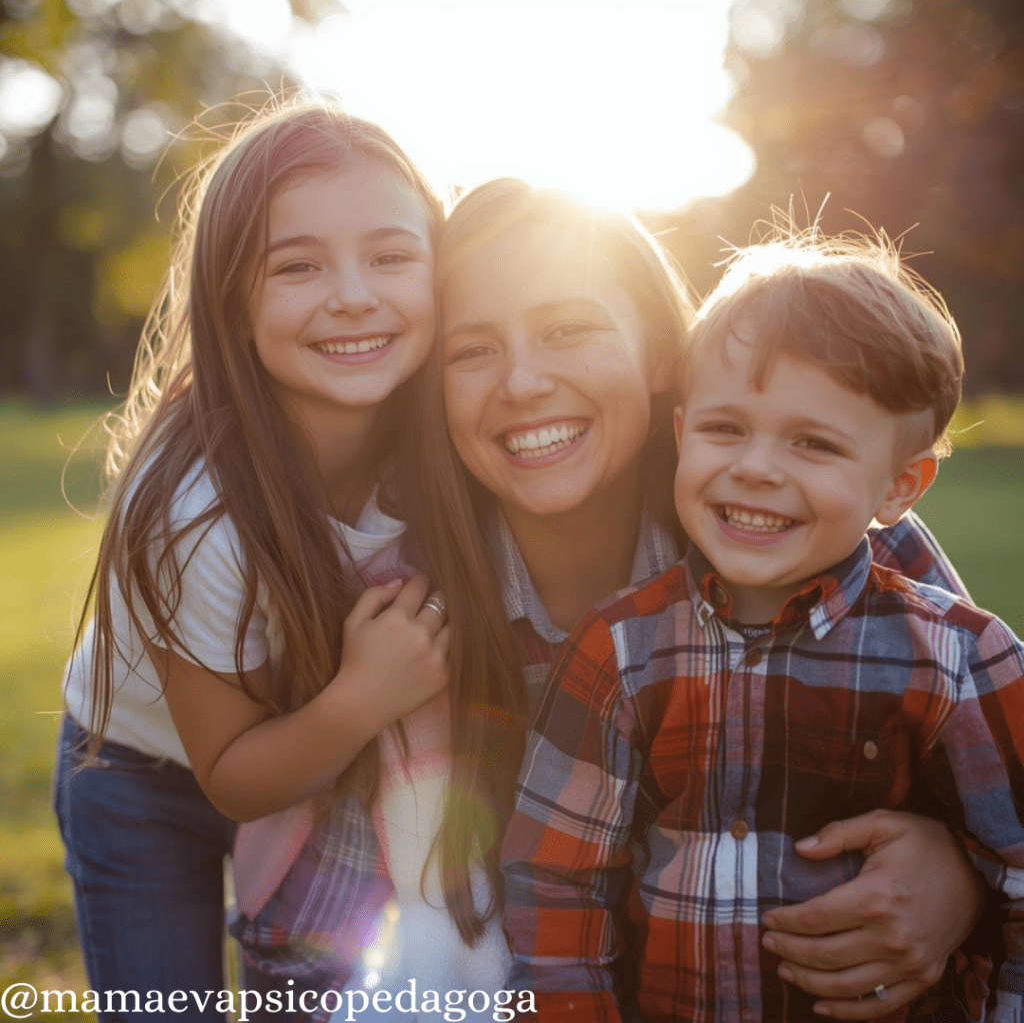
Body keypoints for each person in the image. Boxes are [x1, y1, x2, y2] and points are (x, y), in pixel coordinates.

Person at [234, 181, 989, 1022]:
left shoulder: (825, 537)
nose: (523, 381)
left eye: (568, 329)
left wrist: (959, 876)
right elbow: (317, 932)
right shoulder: (398, 611)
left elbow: (985, 760)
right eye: (472, 350)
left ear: (659, 351)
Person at [500, 232, 1022, 1022]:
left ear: (901, 487)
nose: (756, 467)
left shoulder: (958, 659)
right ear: (681, 436)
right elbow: (557, 882)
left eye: (813, 443)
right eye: (726, 429)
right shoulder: (621, 651)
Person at [54, 102, 451, 1022]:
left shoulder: (437, 438)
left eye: (392, 256)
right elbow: (229, 770)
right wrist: (361, 699)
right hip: (145, 779)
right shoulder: (199, 514)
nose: (353, 294)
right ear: (232, 298)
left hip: (319, 744)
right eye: (298, 266)